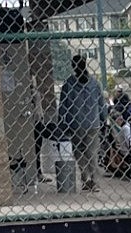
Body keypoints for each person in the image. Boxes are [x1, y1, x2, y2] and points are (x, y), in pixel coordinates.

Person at [57, 54, 106, 191]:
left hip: (75, 123)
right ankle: (94, 181)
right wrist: (103, 119)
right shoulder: (95, 83)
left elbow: (63, 106)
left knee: (79, 152)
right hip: (93, 123)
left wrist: (62, 122)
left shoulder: (68, 84)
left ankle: (85, 178)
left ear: (73, 67)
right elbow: (101, 104)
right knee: (92, 153)